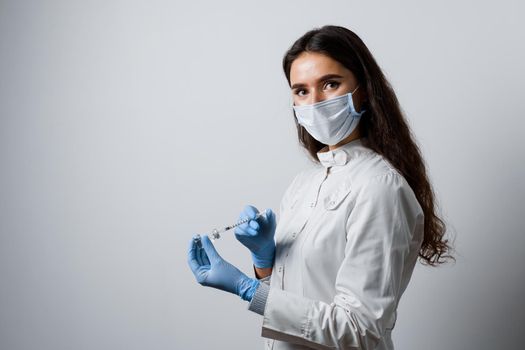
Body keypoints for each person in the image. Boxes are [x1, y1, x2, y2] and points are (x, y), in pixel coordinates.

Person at [187, 25, 453, 350]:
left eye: (330, 84)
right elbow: (294, 304)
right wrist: (264, 262)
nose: (314, 102)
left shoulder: (380, 188)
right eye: (301, 91)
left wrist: (246, 289)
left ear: (364, 90)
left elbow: (361, 330)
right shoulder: (305, 183)